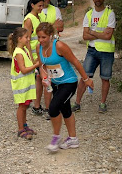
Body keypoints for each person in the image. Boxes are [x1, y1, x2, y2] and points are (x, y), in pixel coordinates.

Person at [36, 22, 94, 152]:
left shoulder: (60, 46)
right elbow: (42, 65)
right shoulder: (38, 47)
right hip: (56, 83)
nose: (41, 40)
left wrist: (86, 79)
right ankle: (73, 139)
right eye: (39, 37)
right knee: (66, 109)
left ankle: (56, 139)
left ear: (51, 36)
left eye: (43, 37)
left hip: (68, 82)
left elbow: (75, 62)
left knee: (53, 108)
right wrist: (44, 77)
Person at [71, 0, 116, 113]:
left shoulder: (109, 13)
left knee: (105, 78)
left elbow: (108, 36)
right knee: (84, 77)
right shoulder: (89, 14)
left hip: (106, 52)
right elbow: (85, 36)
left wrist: (92, 32)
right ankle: (77, 103)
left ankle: (102, 103)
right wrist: (101, 33)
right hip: (92, 50)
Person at [36, 0, 64, 120]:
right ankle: (47, 109)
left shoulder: (55, 9)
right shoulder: (37, 11)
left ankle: (54, 106)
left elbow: (61, 27)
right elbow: (38, 30)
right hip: (41, 48)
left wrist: (48, 27)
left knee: (55, 78)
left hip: (55, 49)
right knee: (45, 79)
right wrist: (53, 26)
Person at [8, 27, 40, 140]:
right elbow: (24, 69)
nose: (28, 39)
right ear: (19, 39)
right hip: (21, 85)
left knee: (25, 105)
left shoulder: (24, 50)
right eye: (26, 37)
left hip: (26, 84)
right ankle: (20, 129)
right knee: (22, 107)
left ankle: (25, 126)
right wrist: (36, 65)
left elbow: (30, 62)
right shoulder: (18, 53)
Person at [22, 0, 45, 117]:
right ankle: (34, 105)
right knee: (38, 80)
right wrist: (31, 58)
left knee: (40, 80)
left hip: (39, 54)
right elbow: (27, 39)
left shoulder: (38, 17)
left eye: (42, 6)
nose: (41, 8)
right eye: (39, 6)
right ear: (33, 5)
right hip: (33, 55)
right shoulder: (29, 19)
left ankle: (37, 104)